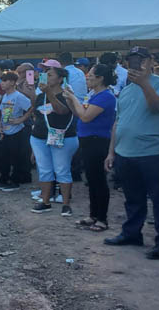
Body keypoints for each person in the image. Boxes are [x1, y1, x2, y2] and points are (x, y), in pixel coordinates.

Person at [103, 46, 159, 260]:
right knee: (133, 198)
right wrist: (111, 152)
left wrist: (144, 83)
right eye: (132, 60)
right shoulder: (126, 89)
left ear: (150, 61)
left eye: (141, 59)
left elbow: (157, 107)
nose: (136, 63)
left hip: (153, 152)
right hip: (125, 153)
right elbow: (118, 122)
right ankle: (131, 233)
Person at [63, 64, 117, 232]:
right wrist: (70, 100)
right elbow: (78, 113)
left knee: (99, 180)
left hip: (98, 141)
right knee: (92, 179)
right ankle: (93, 214)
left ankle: (102, 218)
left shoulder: (106, 96)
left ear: (100, 78)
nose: (87, 77)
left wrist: (73, 99)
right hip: (87, 139)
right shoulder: (93, 94)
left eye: (91, 75)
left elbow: (86, 117)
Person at [29, 60, 78, 216]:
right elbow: (36, 115)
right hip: (40, 137)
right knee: (44, 170)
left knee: (62, 170)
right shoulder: (40, 96)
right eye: (46, 74)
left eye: (50, 75)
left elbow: (62, 111)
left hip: (62, 137)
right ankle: (45, 201)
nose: (46, 77)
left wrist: (49, 92)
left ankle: (65, 204)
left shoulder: (67, 94)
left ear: (60, 78)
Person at [0, 71, 33, 191]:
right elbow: (3, 111)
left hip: (16, 131)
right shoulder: (5, 96)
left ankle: (14, 180)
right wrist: (0, 125)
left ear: (13, 82)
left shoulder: (18, 96)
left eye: (5, 81)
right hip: (6, 130)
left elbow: (31, 107)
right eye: (2, 81)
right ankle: (3, 179)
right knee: (4, 156)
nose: (2, 84)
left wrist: (22, 119)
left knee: (15, 157)